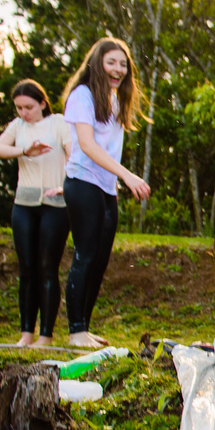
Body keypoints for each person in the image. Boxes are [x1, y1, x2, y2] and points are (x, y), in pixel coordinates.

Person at [60, 37, 152, 350]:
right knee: (85, 255)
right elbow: (86, 145)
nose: (118, 69)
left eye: (123, 64)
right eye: (111, 62)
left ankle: (84, 328)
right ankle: (75, 332)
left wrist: (116, 179)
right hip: (82, 182)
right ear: (97, 63)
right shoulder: (82, 95)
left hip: (105, 187)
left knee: (99, 260)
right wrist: (126, 175)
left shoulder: (113, 99)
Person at [0, 79, 73, 348]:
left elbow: (74, 155)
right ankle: (26, 333)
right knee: (27, 269)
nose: (23, 113)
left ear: (42, 103)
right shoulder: (18, 126)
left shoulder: (58, 123)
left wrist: (66, 186)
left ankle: (45, 336)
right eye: (19, 108)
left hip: (56, 204)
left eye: (28, 107)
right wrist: (25, 151)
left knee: (47, 268)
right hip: (24, 204)